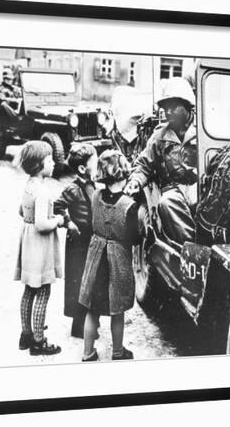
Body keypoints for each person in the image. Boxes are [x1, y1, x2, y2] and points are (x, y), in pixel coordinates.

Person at [79, 150, 139, 361]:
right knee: (117, 309)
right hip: (117, 262)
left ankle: (88, 353)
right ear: (123, 173)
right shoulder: (129, 206)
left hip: (96, 260)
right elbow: (135, 238)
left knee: (92, 309)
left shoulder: (95, 196)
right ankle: (118, 351)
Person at [124, 77, 197, 245]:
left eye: (173, 107)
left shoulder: (202, 131)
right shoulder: (159, 136)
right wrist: (135, 181)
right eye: (165, 108)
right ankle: (191, 247)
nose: (167, 112)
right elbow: (144, 165)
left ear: (187, 106)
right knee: (167, 202)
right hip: (172, 189)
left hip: (198, 187)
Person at [14, 141, 64, 356]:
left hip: (28, 242)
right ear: (38, 165)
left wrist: (33, 216)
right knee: (43, 290)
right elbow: (42, 225)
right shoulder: (43, 191)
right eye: (50, 159)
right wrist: (58, 220)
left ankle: (25, 335)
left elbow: (21, 211)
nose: (53, 163)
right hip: (40, 246)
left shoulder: (28, 186)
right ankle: (38, 341)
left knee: (29, 290)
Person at [53, 144, 98, 339]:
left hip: (90, 240)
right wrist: (69, 223)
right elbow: (58, 206)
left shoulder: (92, 184)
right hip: (78, 243)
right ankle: (78, 326)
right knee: (79, 281)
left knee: (90, 281)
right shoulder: (73, 188)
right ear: (82, 169)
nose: (96, 167)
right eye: (94, 164)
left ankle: (87, 323)